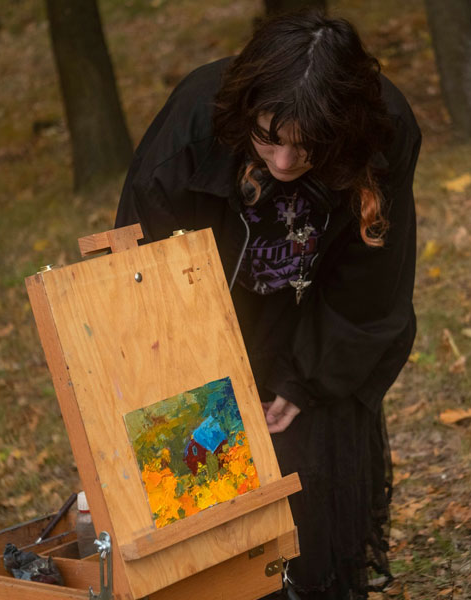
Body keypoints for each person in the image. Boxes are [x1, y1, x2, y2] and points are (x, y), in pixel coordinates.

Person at [115, 11, 420, 600]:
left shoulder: (385, 129)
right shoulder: (187, 134)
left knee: (311, 472)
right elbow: (143, 283)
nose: (283, 163)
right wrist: (196, 380)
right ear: (244, 113)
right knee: (200, 457)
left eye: (308, 148)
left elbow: (373, 279)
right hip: (202, 307)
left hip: (314, 311)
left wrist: (305, 378)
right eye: (268, 139)